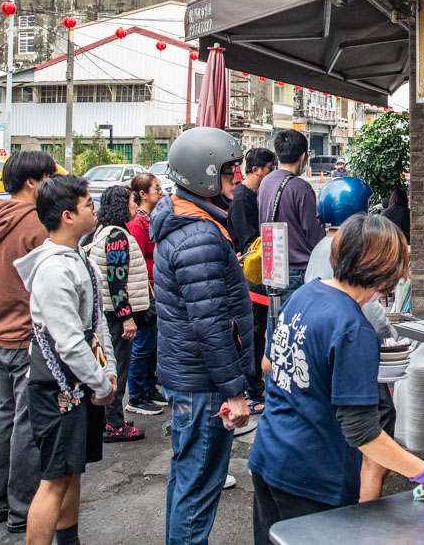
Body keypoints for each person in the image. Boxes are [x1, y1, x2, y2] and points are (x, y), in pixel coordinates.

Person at [250, 214, 424, 543]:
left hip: (267, 458)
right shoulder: (353, 328)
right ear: (385, 269)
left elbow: (268, 363)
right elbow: (362, 432)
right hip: (313, 476)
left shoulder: (305, 294)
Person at [152, 127, 254, 544]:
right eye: (231, 172)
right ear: (206, 177)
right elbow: (211, 325)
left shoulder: (185, 220)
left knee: (187, 482)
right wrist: (234, 391)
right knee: (197, 491)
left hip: (189, 378)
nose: (239, 179)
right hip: (203, 386)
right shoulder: (200, 236)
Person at [14, 175, 115, 545]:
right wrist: (102, 384)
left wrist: (108, 369)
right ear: (69, 216)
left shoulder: (77, 258)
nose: (95, 210)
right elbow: (70, 342)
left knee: (71, 474)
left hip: (79, 385)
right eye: (90, 204)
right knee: (54, 480)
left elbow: (96, 322)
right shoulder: (54, 270)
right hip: (56, 389)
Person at [0, 150, 54, 532]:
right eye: (47, 179)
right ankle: (22, 508)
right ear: (31, 182)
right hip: (24, 333)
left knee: (5, 417)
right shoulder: (35, 223)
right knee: (26, 422)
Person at [305, 178, 395, 502]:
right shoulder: (352, 327)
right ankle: (367, 502)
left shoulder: (319, 251)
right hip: (340, 358)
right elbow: (366, 310)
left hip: (279, 461)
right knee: (378, 421)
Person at [88, 185, 152, 441]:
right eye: (131, 202)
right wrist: (126, 317)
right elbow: (116, 281)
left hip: (110, 313)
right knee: (117, 370)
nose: (135, 206)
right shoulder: (116, 237)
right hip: (115, 316)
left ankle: (111, 420)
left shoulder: (105, 232)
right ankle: (115, 424)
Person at [228, 147, 277, 412]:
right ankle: (254, 389)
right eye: (270, 168)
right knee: (254, 334)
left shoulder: (254, 195)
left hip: (257, 274)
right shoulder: (242, 199)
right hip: (249, 277)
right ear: (256, 169)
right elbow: (249, 244)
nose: (271, 173)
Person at [257, 129, 325, 297]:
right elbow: (313, 235)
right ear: (303, 156)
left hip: (272, 267)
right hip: (298, 270)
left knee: (277, 320)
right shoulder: (301, 188)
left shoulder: (265, 182)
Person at [126, 173, 167, 416]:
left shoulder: (150, 219)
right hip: (145, 293)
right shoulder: (138, 224)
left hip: (156, 289)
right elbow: (136, 261)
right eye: (156, 188)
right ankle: (137, 394)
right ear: (142, 194)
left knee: (152, 342)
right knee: (142, 344)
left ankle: (149, 388)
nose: (160, 191)